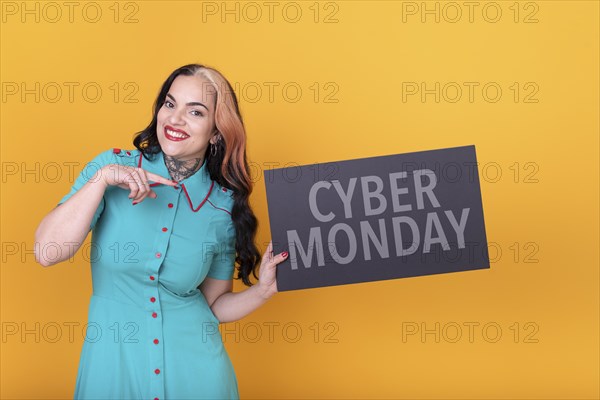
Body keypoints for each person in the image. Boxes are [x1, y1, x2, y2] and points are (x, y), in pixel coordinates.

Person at [34, 63, 289, 400]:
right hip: (113, 371)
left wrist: (263, 291)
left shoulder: (223, 206)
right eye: (170, 104)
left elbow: (213, 305)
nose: (175, 119)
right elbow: (47, 252)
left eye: (195, 112)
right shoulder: (112, 168)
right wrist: (103, 179)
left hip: (197, 377)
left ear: (216, 131)